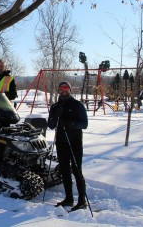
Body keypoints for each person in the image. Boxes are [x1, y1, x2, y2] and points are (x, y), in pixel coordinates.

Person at [47, 81, 89, 211]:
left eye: (66, 88)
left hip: (75, 141)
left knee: (77, 170)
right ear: (59, 90)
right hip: (61, 142)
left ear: (70, 90)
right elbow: (51, 125)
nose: (64, 90)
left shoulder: (77, 105)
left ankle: (82, 201)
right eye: (61, 88)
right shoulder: (55, 106)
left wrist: (70, 124)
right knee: (64, 171)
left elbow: (84, 124)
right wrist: (55, 116)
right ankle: (68, 199)